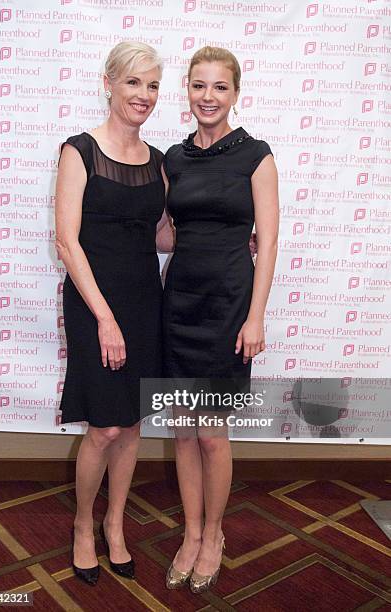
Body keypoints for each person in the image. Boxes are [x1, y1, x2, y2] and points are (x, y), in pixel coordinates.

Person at [160, 46, 279, 592]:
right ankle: (189, 531)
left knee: (212, 434)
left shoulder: (256, 155)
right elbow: (165, 232)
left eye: (220, 87)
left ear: (236, 92)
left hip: (228, 306)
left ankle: (214, 534)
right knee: (182, 430)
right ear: (187, 90)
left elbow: (269, 242)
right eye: (198, 86)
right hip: (178, 303)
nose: (208, 97)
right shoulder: (173, 158)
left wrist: (255, 316)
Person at [55, 41, 165, 586]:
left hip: (147, 302)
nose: (143, 95)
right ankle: (82, 525)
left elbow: (162, 234)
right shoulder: (80, 150)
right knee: (104, 427)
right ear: (109, 82)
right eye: (133, 83)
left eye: (152, 85)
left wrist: (229, 237)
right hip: (95, 303)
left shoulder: (161, 162)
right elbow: (67, 242)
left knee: (134, 424)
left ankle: (115, 524)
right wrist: (104, 318)